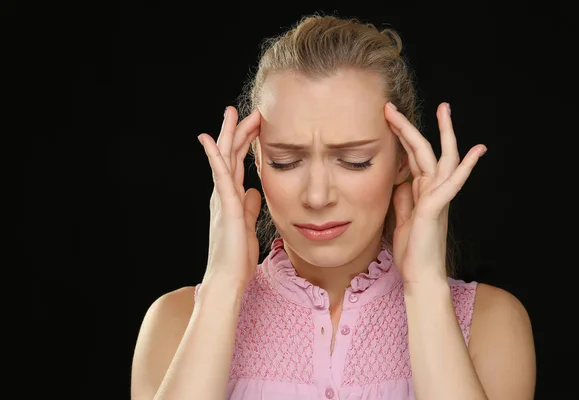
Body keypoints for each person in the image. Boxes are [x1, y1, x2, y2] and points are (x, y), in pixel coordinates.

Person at [130, 14, 536, 400]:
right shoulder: (175, 322)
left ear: (402, 160)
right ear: (252, 160)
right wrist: (220, 289)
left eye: (355, 160)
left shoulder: (489, 322)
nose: (318, 196)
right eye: (284, 161)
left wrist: (425, 289)